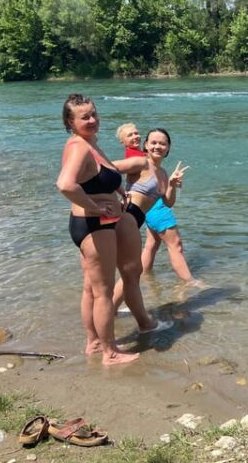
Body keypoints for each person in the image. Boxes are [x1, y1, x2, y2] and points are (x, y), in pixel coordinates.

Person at [56, 94, 162, 366]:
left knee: (90, 288)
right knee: (103, 292)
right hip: (93, 225)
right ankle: (110, 352)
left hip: (92, 223)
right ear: (70, 121)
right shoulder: (79, 147)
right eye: (84, 117)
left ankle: (93, 342)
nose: (92, 120)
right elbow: (66, 184)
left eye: (93, 114)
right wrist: (95, 206)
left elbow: (100, 173)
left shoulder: (89, 143)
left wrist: (117, 189)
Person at [113, 127, 202, 294]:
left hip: (137, 220)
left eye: (162, 143)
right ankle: (110, 311)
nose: (157, 146)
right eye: (153, 142)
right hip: (127, 218)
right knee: (130, 272)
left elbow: (168, 202)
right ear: (145, 145)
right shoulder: (141, 162)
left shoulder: (162, 173)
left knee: (132, 272)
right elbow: (107, 169)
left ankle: (115, 311)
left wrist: (172, 184)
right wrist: (115, 195)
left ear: (168, 148)